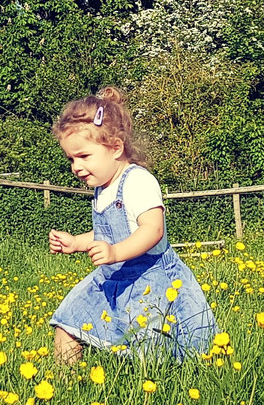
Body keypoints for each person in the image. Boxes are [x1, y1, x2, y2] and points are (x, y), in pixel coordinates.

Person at [48, 87, 217, 364]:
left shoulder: (137, 181)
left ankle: (152, 395)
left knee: (150, 352)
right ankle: (63, 389)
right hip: (112, 277)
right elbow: (111, 232)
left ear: (115, 147)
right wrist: (77, 243)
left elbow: (152, 229)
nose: (76, 167)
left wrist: (114, 253)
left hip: (149, 279)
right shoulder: (103, 187)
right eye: (70, 159)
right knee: (68, 322)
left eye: (83, 156)